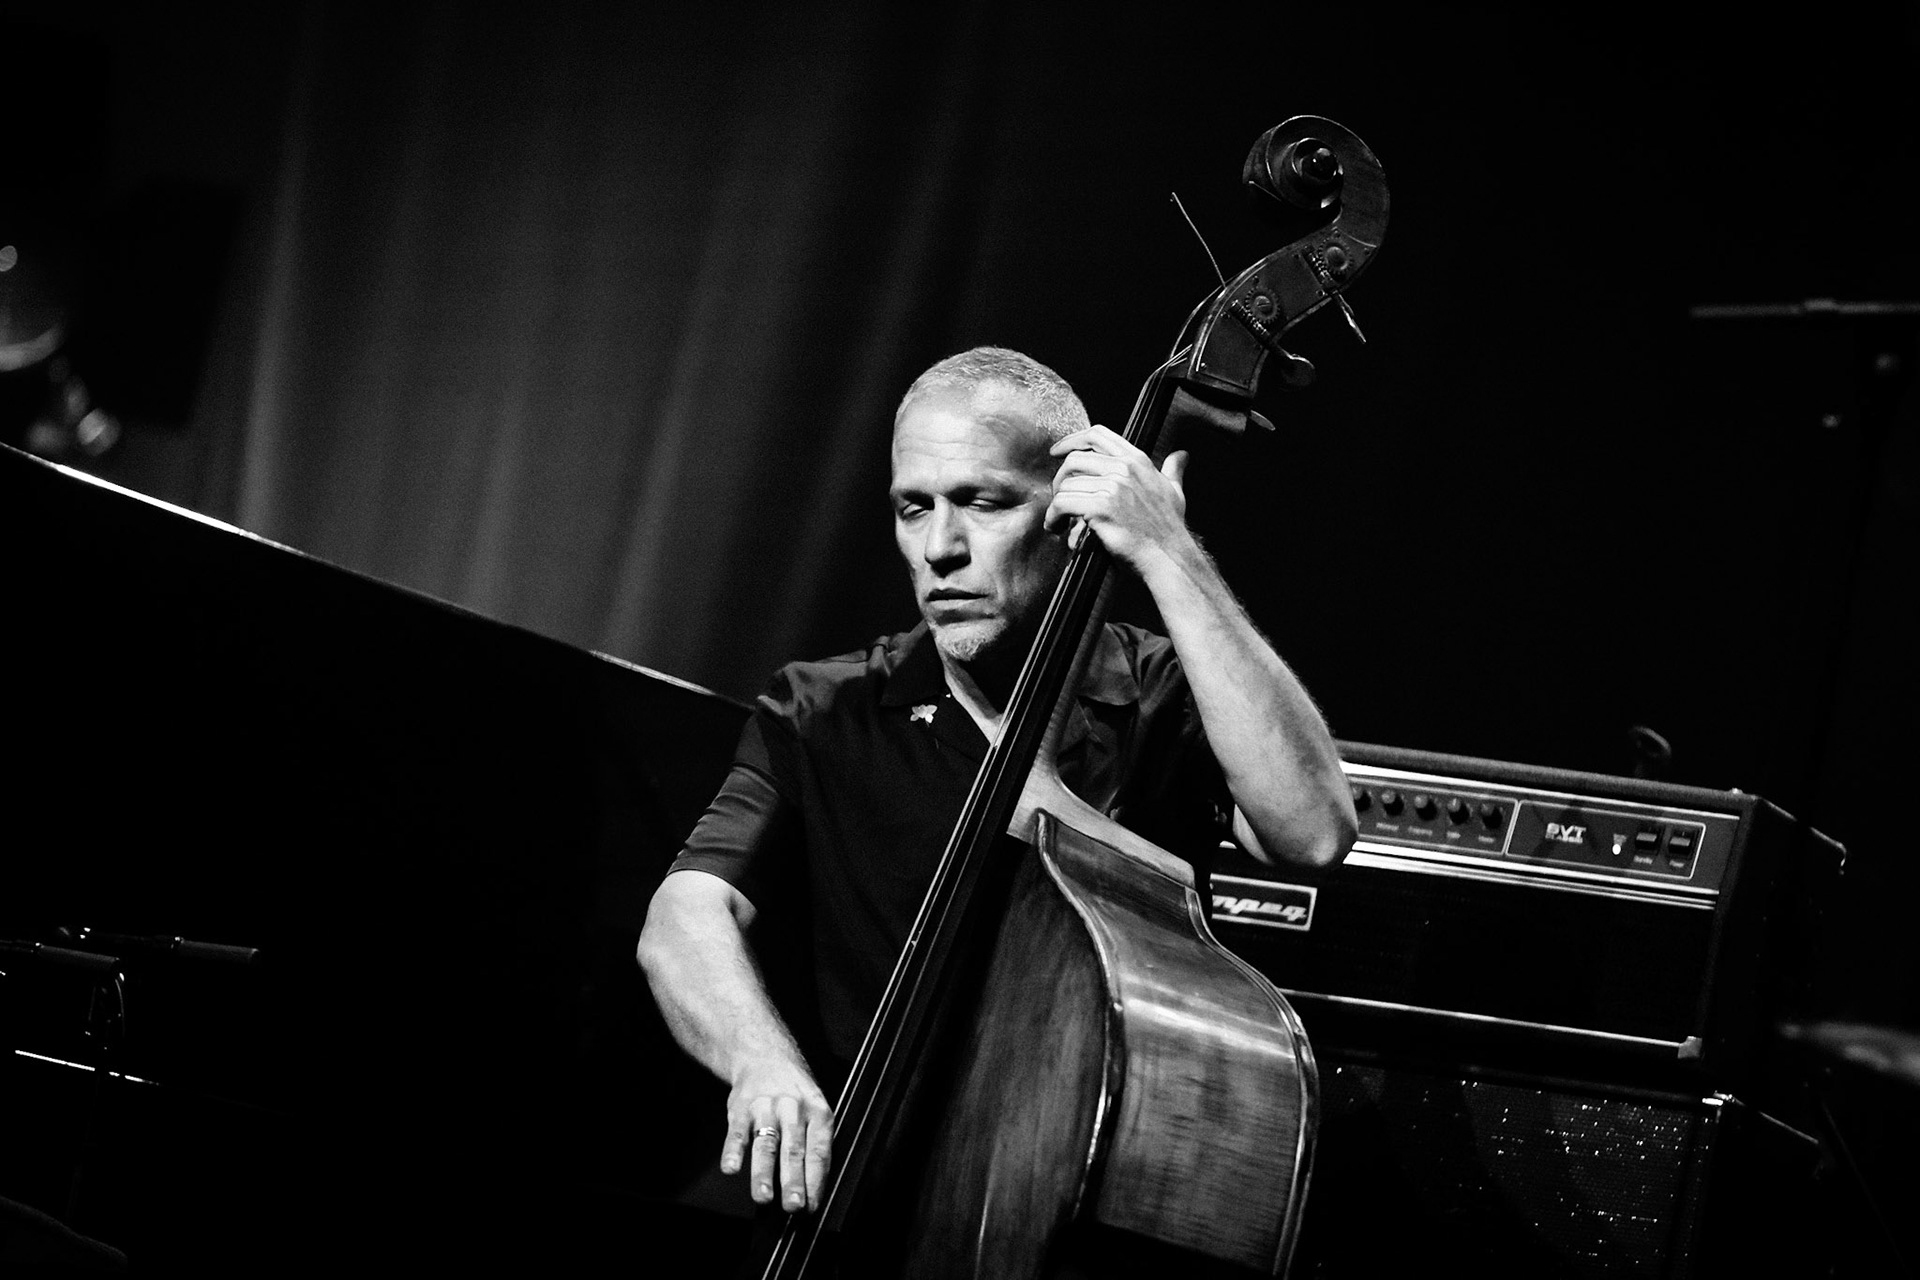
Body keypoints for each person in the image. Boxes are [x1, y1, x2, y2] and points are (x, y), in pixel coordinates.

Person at [637, 346, 1355, 1221]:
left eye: (983, 502)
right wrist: (761, 1060)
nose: (940, 548)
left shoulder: (1166, 696)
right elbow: (685, 915)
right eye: (914, 508)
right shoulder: (824, 710)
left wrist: (1171, 553)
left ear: (1070, 512)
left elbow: (1312, 832)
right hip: (858, 1205)